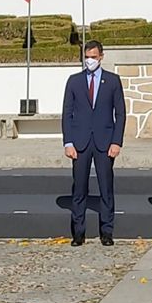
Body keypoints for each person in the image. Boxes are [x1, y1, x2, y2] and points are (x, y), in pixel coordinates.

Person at [62, 40, 126, 246]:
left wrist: (117, 142)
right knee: (79, 188)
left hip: (104, 142)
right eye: (87, 57)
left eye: (94, 57)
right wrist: (68, 142)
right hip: (80, 142)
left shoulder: (113, 81)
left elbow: (121, 113)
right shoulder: (74, 81)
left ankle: (106, 231)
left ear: (101, 57)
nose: (90, 60)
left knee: (106, 188)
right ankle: (78, 232)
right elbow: (67, 114)